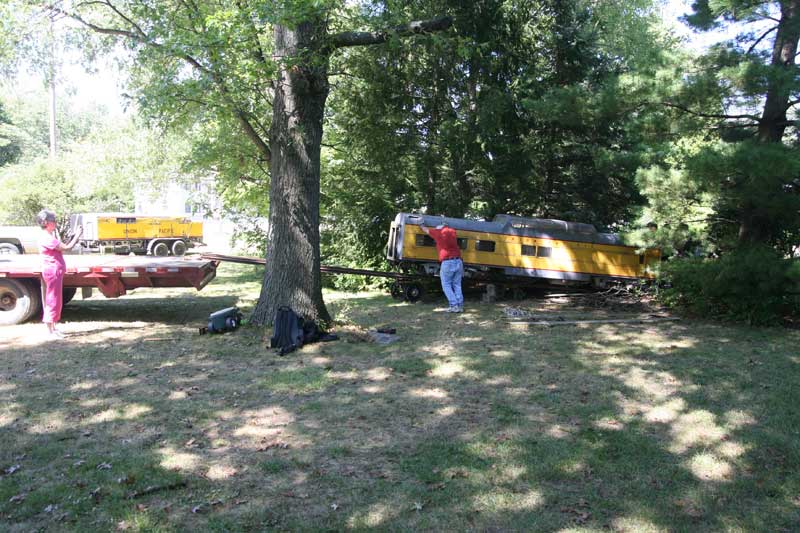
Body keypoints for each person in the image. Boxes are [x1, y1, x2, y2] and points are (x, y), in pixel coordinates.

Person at [36, 209, 82, 339]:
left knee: (55, 300)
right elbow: (67, 248)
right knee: (52, 300)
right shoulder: (46, 238)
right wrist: (77, 235)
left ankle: (53, 328)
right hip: (52, 271)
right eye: (53, 221)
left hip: (54, 271)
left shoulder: (49, 236)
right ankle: (50, 331)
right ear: (45, 222)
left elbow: (63, 245)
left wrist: (73, 236)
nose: (55, 223)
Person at [420, 220, 464, 313]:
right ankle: (460, 306)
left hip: (447, 262)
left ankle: (454, 305)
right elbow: (447, 228)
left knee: (446, 284)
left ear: (439, 228)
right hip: (458, 261)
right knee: (457, 284)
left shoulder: (438, 233)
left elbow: (425, 230)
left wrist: (421, 224)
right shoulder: (452, 231)